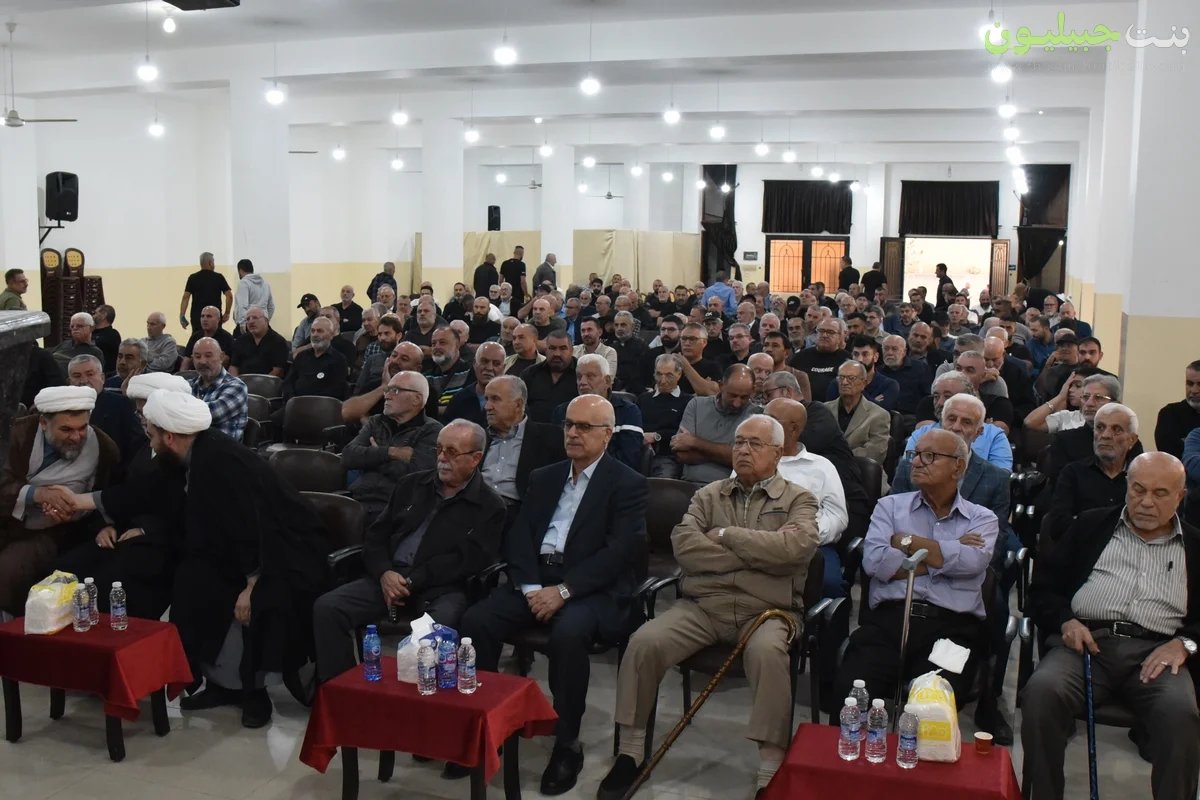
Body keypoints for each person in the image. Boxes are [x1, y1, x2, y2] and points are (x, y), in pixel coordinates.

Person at [599, 415, 819, 800]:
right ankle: (631, 751)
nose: (743, 450)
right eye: (739, 442)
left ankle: (770, 766)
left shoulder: (798, 499)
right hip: (704, 605)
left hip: (767, 610)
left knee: (768, 653)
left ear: (777, 453)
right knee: (645, 641)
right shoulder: (708, 495)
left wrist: (726, 535)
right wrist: (759, 556)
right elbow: (685, 548)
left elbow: (795, 549)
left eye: (754, 444)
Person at [459, 395, 646, 795]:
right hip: (537, 580)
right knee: (476, 621)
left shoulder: (627, 483)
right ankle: (486, 725)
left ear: (607, 435)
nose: (573, 433)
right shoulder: (545, 476)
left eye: (584, 427)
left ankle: (567, 742)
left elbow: (619, 554)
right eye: (568, 425)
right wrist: (530, 589)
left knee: (568, 634)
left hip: (590, 587)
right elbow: (520, 535)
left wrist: (564, 591)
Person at [1021, 452, 1200, 800]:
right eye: (1138, 490)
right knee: (1041, 692)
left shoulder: (1194, 545)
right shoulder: (1090, 526)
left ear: (1180, 496)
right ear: (1127, 488)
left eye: (1160, 493)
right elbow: (1042, 588)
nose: (1146, 502)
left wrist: (1186, 644)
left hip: (1156, 655)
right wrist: (1065, 620)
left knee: (1181, 715)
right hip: (1085, 645)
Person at [313, 419, 504, 686]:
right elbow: (376, 536)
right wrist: (384, 573)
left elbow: (464, 562)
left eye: (451, 452)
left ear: (475, 458)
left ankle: (421, 703)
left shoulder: (490, 506)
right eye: (439, 449)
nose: (442, 458)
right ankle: (341, 691)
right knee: (328, 608)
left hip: (441, 588)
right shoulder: (411, 484)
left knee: (434, 633)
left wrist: (413, 581)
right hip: (389, 577)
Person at [833, 428, 997, 706]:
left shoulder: (982, 518)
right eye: (915, 454)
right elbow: (875, 563)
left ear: (958, 467)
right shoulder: (889, 507)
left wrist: (905, 543)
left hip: (951, 628)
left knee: (933, 705)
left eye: (930, 456)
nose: (917, 462)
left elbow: (973, 562)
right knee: (851, 694)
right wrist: (951, 549)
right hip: (890, 620)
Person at [54, 373, 193, 621]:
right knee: (67, 567)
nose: (140, 418)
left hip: (166, 540)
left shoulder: (184, 456)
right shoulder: (141, 445)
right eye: (139, 412)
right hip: (124, 530)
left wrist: (147, 530)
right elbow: (121, 491)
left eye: (145, 412)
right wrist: (106, 525)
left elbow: (184, 512)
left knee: (109, 580)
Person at [0, 386, 118, 614]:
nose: (76, 437)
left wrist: (73, 509)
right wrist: (37, 494)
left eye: (82, 428)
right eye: (66, 429)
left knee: (8, 571)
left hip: (55, 531)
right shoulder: (16, 434)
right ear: (43, 423)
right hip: (6, 519)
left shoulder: (104, 448)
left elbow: (107, 495)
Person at [763, 399, 849, 598]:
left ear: (794, 429)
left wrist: (805, 535)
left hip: (812, 546)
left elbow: (837, 516)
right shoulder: (751, 460)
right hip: (758, 541)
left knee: (829, 585)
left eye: (771, 420)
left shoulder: (821, 466)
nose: (762, 424)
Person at [1043, 403, 1140, 537]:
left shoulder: (1141, 477)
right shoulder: (1073, 473)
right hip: (1083, 547)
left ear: (1132, 440)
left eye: (1116, 429)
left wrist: (1083, 520)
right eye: (1100, 427)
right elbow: (1058, 526)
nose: (1105, 435)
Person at [552, 354, 643, 471]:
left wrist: (588, 469)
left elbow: (629, 459)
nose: (582, 382)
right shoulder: (562, 411)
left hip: (612, 477)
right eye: (579, 377)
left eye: (590, 376)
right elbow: (556, 456)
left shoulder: (628, 412)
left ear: (607, 381)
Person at [906, 371, 1013, 470]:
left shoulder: (993, 436)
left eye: (947, 396)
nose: (940, 403)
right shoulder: (921, 434)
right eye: (936, 396)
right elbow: (907, 473)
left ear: (968, 398)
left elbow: (999, 478)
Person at [674, 365, 758, 487]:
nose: (737, 403)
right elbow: (681, 453)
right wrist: (726, 454)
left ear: (753, 390)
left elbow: (746, 460)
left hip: (732, 489)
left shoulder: (757, 415)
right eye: (732, 395)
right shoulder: (696, 405)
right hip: (690, 486)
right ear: (721, 385)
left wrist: (695, 442)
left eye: (744, 397)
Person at [67, 354, 145, 467]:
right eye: (77, 376)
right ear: (70, 381)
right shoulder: (63, 409)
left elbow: (136, 446)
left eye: (90, 374)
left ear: (102, 378)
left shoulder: (122, 405)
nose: (83, 380)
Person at [340, 341, 424, 425]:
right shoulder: (374, 384)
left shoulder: (423, 392)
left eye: (404, 359)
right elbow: (345, 412)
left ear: (417, 369)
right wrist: (384, 387)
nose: (395, 361)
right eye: (394, 355)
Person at [824, 360, 890, 466]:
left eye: (851, 378)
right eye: (841, 377)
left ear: (864, 383)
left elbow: (876, 452)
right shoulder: (824, 410)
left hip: (860, 470)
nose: (844, 382)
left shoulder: (879, 415)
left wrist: (839, 458)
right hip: (826, 468)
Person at [187, 338, 249, 442]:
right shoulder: (189, 384)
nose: (202, 361)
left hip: (223, 449)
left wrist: (177, 410)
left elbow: (211, 414)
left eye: (208, 356)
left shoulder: (237, 387)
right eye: (197, 357)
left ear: (221, 357)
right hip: (192, 446)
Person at [639, 354, 690, 479]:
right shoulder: (643, 399)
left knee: (663, 482)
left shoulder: (687, 401)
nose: (662, 380)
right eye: (658, 374)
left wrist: (657, 436)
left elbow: (684, 434)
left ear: (679, 374)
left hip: (668, 456)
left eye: (669, 375)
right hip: (639, 451)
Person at [823, 336, 899, 412]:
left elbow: (881, 412)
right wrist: (873, 401)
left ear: (875, 357)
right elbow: (831, 410)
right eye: (856, 354)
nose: (860, 359)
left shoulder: (889, 385)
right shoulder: (838, 383)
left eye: (865, 354)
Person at [280, 317, 347, 402]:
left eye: (320, 331)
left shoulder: (339, 360)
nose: (315, 334)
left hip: (322, 406)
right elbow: (288, 382)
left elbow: (336, 391)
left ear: (331, 335)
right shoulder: (301, 356)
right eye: (312, 331)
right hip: (295, 404)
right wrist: (292, 400)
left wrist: (310, 402)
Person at [1024, 370, 1110, 434]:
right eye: (1070, 385)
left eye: (1078, 385)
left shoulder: (1107, 419)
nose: (1070, 390)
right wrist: (1060, 397)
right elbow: (1030, 422)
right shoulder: (1065, 416)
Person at [521, 330, 577, 423]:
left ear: (571, 350)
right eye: (552, 348)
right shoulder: (530, 374)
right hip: (535, 430)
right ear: (546, 350)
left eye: (563, 348)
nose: (557, 354)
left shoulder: (581, 374)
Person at [789, 318, 849, 402]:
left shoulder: (847, 360)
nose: (824, 335)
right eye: (821, 331)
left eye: (830, 332)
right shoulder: (799, 358)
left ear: (840, 337)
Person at [422, 326, 474, 418]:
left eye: (442, 342)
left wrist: (434, 410)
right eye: (433, 343)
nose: (437, 347)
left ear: (457, 345)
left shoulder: (471, 373)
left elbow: (466, 409)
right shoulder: (426, 377)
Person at [1155, 360, 1200, 459]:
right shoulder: (1169, 414)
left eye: (1199, 384)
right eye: (1190, 383)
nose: (1194, 390)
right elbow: (1170, 455)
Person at [229, 306, 289, 378]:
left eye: (255, 318)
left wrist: (261, 383)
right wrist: (236, 382)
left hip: (268, 382)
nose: (251, 322)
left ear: (266, 320)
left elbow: (278, 371)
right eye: (248, 319)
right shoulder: (240, 341)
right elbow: (234, 366)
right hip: (242, 382)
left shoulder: (278, 342)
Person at [879, 334, 932, 416]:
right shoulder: (878, 372)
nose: (889, 352)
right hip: (884, 416)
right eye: (886, 349)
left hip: (912, 417)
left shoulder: (920, 368)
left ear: (904, 352)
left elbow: (928, 397)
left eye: (894, 349)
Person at [179, 252, 233, 332]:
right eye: (213, 262)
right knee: (215, 338)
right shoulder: (218, 277)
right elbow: (229, 296)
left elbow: (185, 297)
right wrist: (227, 313)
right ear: (210, 263)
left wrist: (182, 316)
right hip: (214, 317)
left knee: (197, 338)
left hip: (197, 318)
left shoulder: (193, 278)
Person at [52, 312, 105, 378]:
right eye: (72, 326)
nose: (75, 328)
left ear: (91, 328)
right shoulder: (65, 344)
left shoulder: (95, 352)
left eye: (79, 326)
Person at [181, 306, 235, 370]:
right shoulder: (195, 336)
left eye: (209, 316)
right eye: (202, 316)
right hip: (196, 373)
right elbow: (186, 360)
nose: (205, 319)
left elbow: (226, 362)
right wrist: (181, 375)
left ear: (218, 319)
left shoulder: (227, 338)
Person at [610, 311, 648, 394]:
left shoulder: (641, 346)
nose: (619, 328)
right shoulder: (611, 348)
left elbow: (641, 374)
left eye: (623, 325)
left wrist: (626, 389)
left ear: (632, 326)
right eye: (616, 325)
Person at [233, 259, 275, 332]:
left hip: (248, 323)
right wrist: (265, 320)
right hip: (263, 324)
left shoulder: (243, 283)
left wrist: (243, 324)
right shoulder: (265, 284)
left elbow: (242, 306)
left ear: (240, 270)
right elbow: (271, 307)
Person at [90, 304, 121, 376]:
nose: (93, 316)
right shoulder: (91, 333)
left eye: (95, 313)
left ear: (104, 315)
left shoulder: (112, 334)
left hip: (106, 374)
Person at [500, 246, 528, 311]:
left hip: (507, 292)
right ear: (522, 254)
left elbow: (500, 280)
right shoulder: (521, 265)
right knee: (517, 311)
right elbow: (522, 281)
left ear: (514, 252)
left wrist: (502, 291)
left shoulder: (504, 263)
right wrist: (526, 294)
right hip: (518, 293)